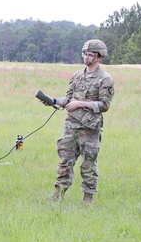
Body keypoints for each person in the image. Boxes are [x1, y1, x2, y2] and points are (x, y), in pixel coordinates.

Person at [44, 39, 115, 204]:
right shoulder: (77, 76)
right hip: (71, 127)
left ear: (99, 57)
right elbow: (68, 99)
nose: (86, 57)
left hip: (89, 129)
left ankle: (87, 199)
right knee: (64, 162)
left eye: (90, 55)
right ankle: (58, 195)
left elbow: (105, 105)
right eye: (85, 54)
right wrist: (53, 100)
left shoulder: (105, 79)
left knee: (88, 164)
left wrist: (81, 104)